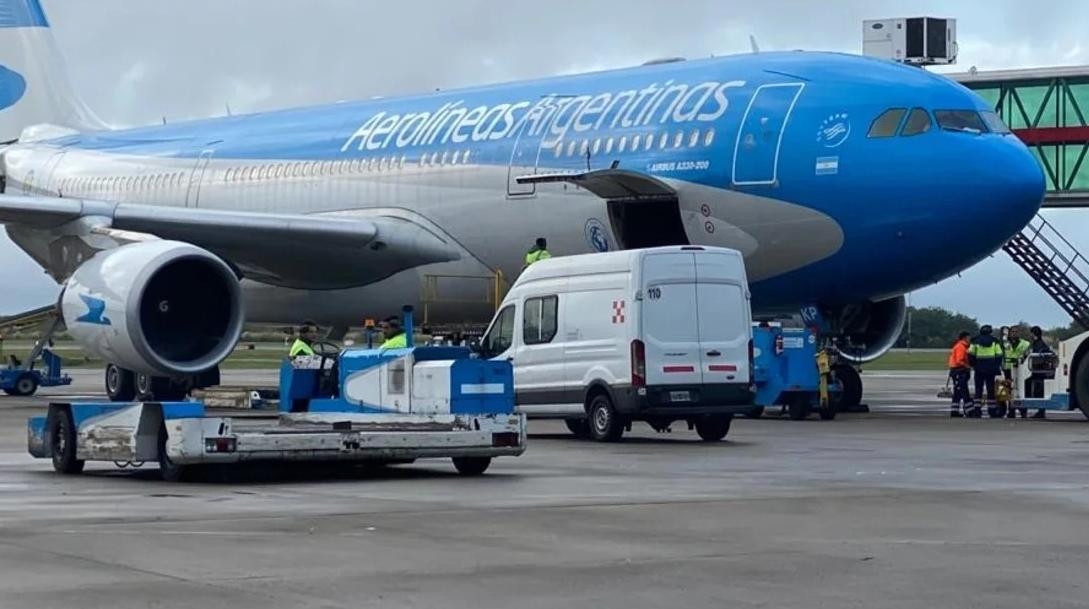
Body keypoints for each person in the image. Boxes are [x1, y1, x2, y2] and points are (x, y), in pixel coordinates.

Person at [967, 324, 1003, 418]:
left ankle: (977, 410)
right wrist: (996, 366)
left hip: (979, 368)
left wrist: (974, 365)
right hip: (991, 369)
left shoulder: (975, 341)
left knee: (978, 390)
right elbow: (999, 355)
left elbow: (970, 354)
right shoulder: (995, 342)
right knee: (990, 390)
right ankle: (992, 410)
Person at [1026, 325, 1054, 418]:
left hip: (1039, 371)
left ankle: (1037, 408)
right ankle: (1040, 411)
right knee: (1038, 390)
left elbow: (1039, 357)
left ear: (1034, 334)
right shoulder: (1040, 343)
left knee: (1036, 389)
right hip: (1040, 371)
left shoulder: (1038, 344)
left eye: (1031, 333)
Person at [947, 331, 973, 417]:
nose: (970, 340)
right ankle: (970, 411)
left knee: (957, 393)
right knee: (964, 392)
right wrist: (967, 366)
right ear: (965, 338)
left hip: (956, 371)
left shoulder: (960, 346)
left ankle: (954, 411)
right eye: (969, 338)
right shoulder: (961, 347)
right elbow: (959, 360)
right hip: (959, 371)